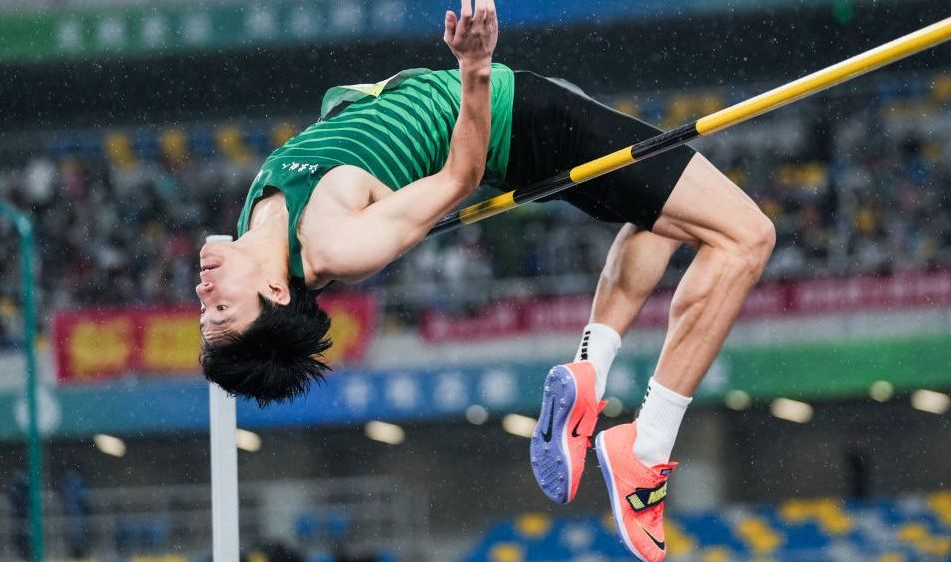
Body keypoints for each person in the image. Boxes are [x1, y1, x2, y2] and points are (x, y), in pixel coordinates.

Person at [197, 1, 774, 560]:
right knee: (746, 237)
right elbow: (460, 176)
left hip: (516, 107)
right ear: (275, 293)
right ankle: (646, 450)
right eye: (222, 311)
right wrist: (473, 65)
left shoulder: (251, 224)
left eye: (206, 314)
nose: (204, 296)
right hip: (522, 118)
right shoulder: (337, 245)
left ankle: (590, 372)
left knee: (660, 216)